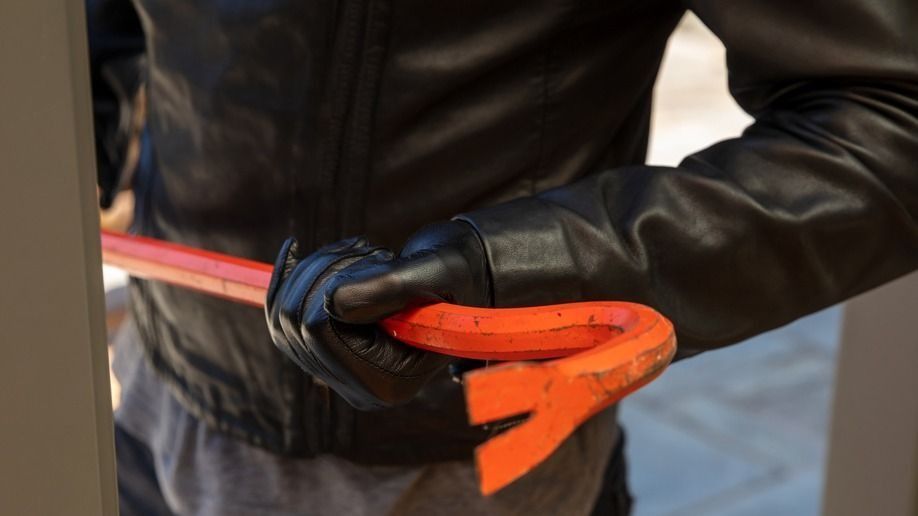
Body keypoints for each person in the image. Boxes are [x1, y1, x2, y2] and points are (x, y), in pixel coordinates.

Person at [89, 0, 918, 514]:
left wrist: (524, 275)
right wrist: (76, 105)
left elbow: (893, 120)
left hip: (463, 478)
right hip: (158, 410)